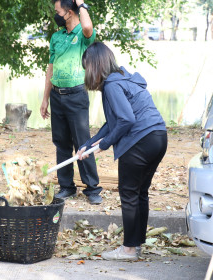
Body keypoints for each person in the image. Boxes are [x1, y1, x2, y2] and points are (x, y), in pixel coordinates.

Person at [77, 42, 167, 261]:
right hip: (158, 137)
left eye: (86, 66)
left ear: (95, 65)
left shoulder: (111, 86)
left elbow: (126, 120)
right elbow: (114, 121)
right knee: (139, 192)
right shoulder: (123, 78)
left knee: (128, 193)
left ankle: (128, 249)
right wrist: (90, 143)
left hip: (141, 140)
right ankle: (137, 245)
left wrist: (105, 144)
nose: (86, 72)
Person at [40, 0, 102, 204]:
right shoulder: (56, 37)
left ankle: (92, 189)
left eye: (57, 11)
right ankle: (67, 186)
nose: (55, 14)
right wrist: (45, 98)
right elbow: (50, 68)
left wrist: (81, 3)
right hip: (57, 96)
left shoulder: (83, 36)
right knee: (61, 143)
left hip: (76, 95)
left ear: (68, 13)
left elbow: (87, 26)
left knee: (83, 143)